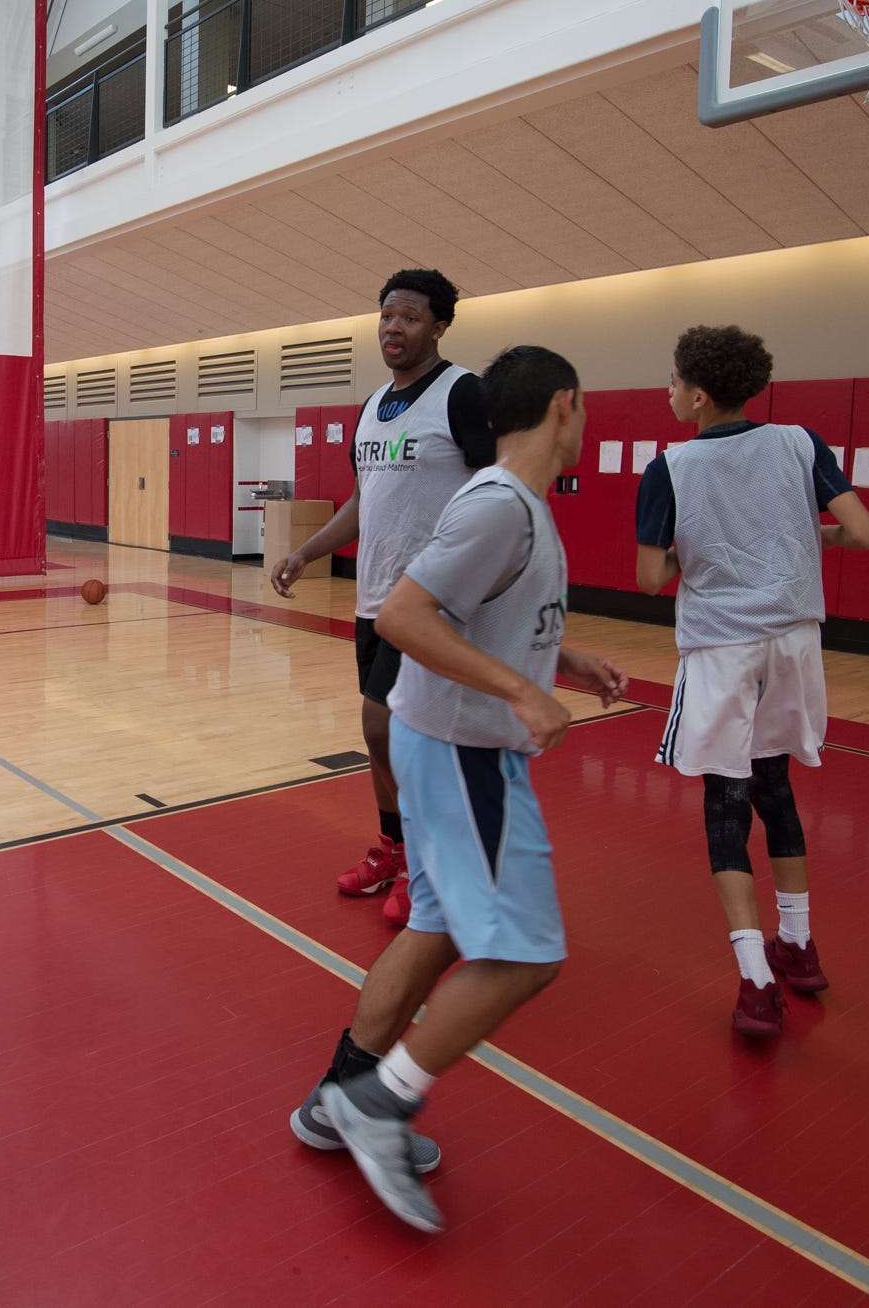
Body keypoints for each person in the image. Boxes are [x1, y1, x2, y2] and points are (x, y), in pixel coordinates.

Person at [293, 346, 628, 1233]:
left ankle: (339, 1094)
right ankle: (382, 1102)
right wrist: (522, 690)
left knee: (438, 930)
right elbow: (403, 616)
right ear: (565, 406)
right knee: (526, 953)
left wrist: (560, 659)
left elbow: (486, 615)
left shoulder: (508, 507)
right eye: (584, 410)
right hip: (464, 752)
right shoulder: (499, 506)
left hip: (437, 740)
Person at [634, 325, 869, 1039]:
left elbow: (651, 579)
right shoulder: (801, 443)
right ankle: (798, 948)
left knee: (725, 804)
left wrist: (705, 552)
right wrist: (800, 537)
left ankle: (754, 982)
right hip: (796, 645)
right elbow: (863, 533)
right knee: (776, 788)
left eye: (674, 380)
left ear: (700, 393)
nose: (668, 391)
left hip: (723, 648)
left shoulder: (670, 467)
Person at [270, 269, 494, 928]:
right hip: (373, 605)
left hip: (431, 605)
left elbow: (497, 492)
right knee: (380, 740)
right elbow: (367, 500)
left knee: (391, 730)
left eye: (410, 318)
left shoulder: (463, 395)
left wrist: (470, 576)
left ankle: (426, 865)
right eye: (386, 316)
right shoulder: (372, 407)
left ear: (440, 326)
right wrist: (306, 551)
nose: (393, 328)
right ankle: (394, 850)